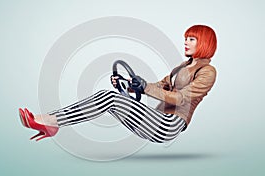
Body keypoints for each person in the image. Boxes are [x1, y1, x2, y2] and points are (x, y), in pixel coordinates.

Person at [19, 24, 217, 142]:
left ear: (204, 43)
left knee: (110, 98)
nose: (186, 42)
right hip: (156, 119)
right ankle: (51, 120)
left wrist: (145, 87)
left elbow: (182, 99)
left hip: (169, 125)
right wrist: (131, 85)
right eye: (186, 39)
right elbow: (158, 86)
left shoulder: (207, 71)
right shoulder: (181, 67)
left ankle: (51, 122)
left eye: (192, 39)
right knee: (110, 97)